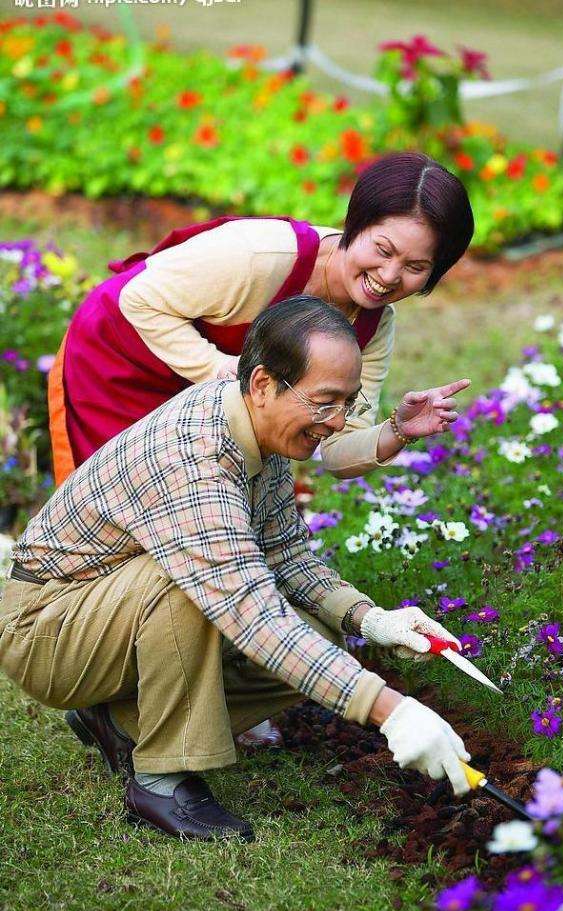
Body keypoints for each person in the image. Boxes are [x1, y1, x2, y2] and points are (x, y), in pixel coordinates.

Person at [1, 297, 471, 843]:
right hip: (46, 631)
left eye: (347, 403)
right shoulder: (194, 457)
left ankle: (118, 721)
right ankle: (160, 778)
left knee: (320, 633)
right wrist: (390, 711)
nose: (338, 423)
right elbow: (251, 613)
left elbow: (287, 555)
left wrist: (370, 620)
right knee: (191, 586)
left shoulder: (256, 428)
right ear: (265, 384)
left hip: (105, 612)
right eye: (325, 402)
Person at [47, 149, 473, 747]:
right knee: (139, 546)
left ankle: (148, 709)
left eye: (416, 266)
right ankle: (104, 680)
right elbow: (137, 301)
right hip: (123, 363)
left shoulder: (373, 326)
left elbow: (335, 449)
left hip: (231, 393)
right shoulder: (261, 257)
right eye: (383, 248)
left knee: (227, 540)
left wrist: (394, 432)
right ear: (355, 225)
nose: (390, 275)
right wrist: (235, 381)